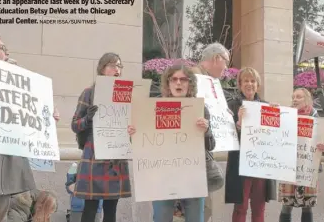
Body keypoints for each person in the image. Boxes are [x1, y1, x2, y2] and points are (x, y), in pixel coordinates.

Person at [133, 64, 214, 222]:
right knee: (162, 217)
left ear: (190, 83)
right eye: (174, 79)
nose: (178, 83)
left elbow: (211, 146)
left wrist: (207, 130)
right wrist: (133, 134)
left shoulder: (200, 109)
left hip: (192, 176)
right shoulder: (153, 108)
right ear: (167, 83)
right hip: (162, 177)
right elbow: (142, 143)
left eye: (183, 79)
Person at [71, 52, 136, 222]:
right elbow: (75, 125)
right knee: (90, 209)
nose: (117, 70)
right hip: (94, 154)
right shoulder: (89, 92)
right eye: (113, 65)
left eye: (120, 66)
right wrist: (88, 119)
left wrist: (132, 130)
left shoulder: (126, 93)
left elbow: (133, 124)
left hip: (116, 156)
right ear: (102, 68)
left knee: (111, 210)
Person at [0, 31, 35, 222]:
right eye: (2, 48)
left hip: (2, 170)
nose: (7, 54)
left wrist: (46, 115)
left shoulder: (14, 82)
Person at [225, 67, 277, 222]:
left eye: (253, 81)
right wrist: (239, 122)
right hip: (240, 164)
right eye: (246, 81)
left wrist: (278, 116)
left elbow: (274, 138)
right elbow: (226, 137)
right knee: (240, 208)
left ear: (258, 85)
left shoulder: (267, 106)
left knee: (259, 207)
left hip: (261, 164)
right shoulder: (232, 105)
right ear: (240, 84)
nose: (249, 84)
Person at [192, 42, 230, 222]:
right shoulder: (192, 77)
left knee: (203, 210)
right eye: (226, 62)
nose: (226, 68)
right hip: (191, 158)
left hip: (204, 153)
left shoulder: (210, 82)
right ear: (216, 58)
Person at [278, 88, 324, 222]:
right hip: (289, 167)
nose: (294, 99)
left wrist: (323, 147)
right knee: (286, 205)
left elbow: (323, 144)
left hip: (308, 168)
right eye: (293, 97)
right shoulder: (286, 115)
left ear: (307, 99)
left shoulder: (314, 116)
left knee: (307, 205)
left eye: (298, 97)